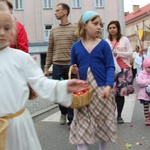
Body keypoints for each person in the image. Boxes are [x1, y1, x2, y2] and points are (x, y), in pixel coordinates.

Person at [0, 3, 88, 150]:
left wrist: (63, 85)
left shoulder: (21, 58)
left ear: (13, 31)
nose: (2, 33)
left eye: (6, 28)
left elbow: (40, 83)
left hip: (18, 128)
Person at [69, 11, 117, 150]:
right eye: (95, 23)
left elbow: (110, 66)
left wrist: (108, 86)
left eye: (100, 25)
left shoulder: (103, 45)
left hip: (101, 90)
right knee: (82, 124)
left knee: (102, 124)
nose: (99, 27)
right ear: (84, 25)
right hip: (83, 92)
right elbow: (73, 68)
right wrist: (74, 70)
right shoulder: (76, 47)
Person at [44, 3, 78, 126]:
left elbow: (79, 49)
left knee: (70, 93)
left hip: (70, 66)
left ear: (65, 12)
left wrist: (78, 65)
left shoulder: (75, 29)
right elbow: (50, 50)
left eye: (57, 10)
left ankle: (71, 119)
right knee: (58, 93)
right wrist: (46, 67)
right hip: (57, 66)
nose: (55, 12)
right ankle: (62, 112)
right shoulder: (53, 31)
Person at [106, 20, 134, 124]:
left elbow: (130, 53)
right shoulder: (106, 41)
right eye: (110, 28)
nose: (112, 29)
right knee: (111, 94)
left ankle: (119, 116)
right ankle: (110, 115)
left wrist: (118, 53)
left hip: (124, 69)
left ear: (118, 28)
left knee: (120, 94)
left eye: (114, 27)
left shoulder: (124, 39)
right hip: (111, 70)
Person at [136, 58, 150, 126]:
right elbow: (139, 82)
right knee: (146, 107)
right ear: (145, 67)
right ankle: (147, 118)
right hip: (144, 95)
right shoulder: (141, 73)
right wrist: (147, 82)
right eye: (148, 67)